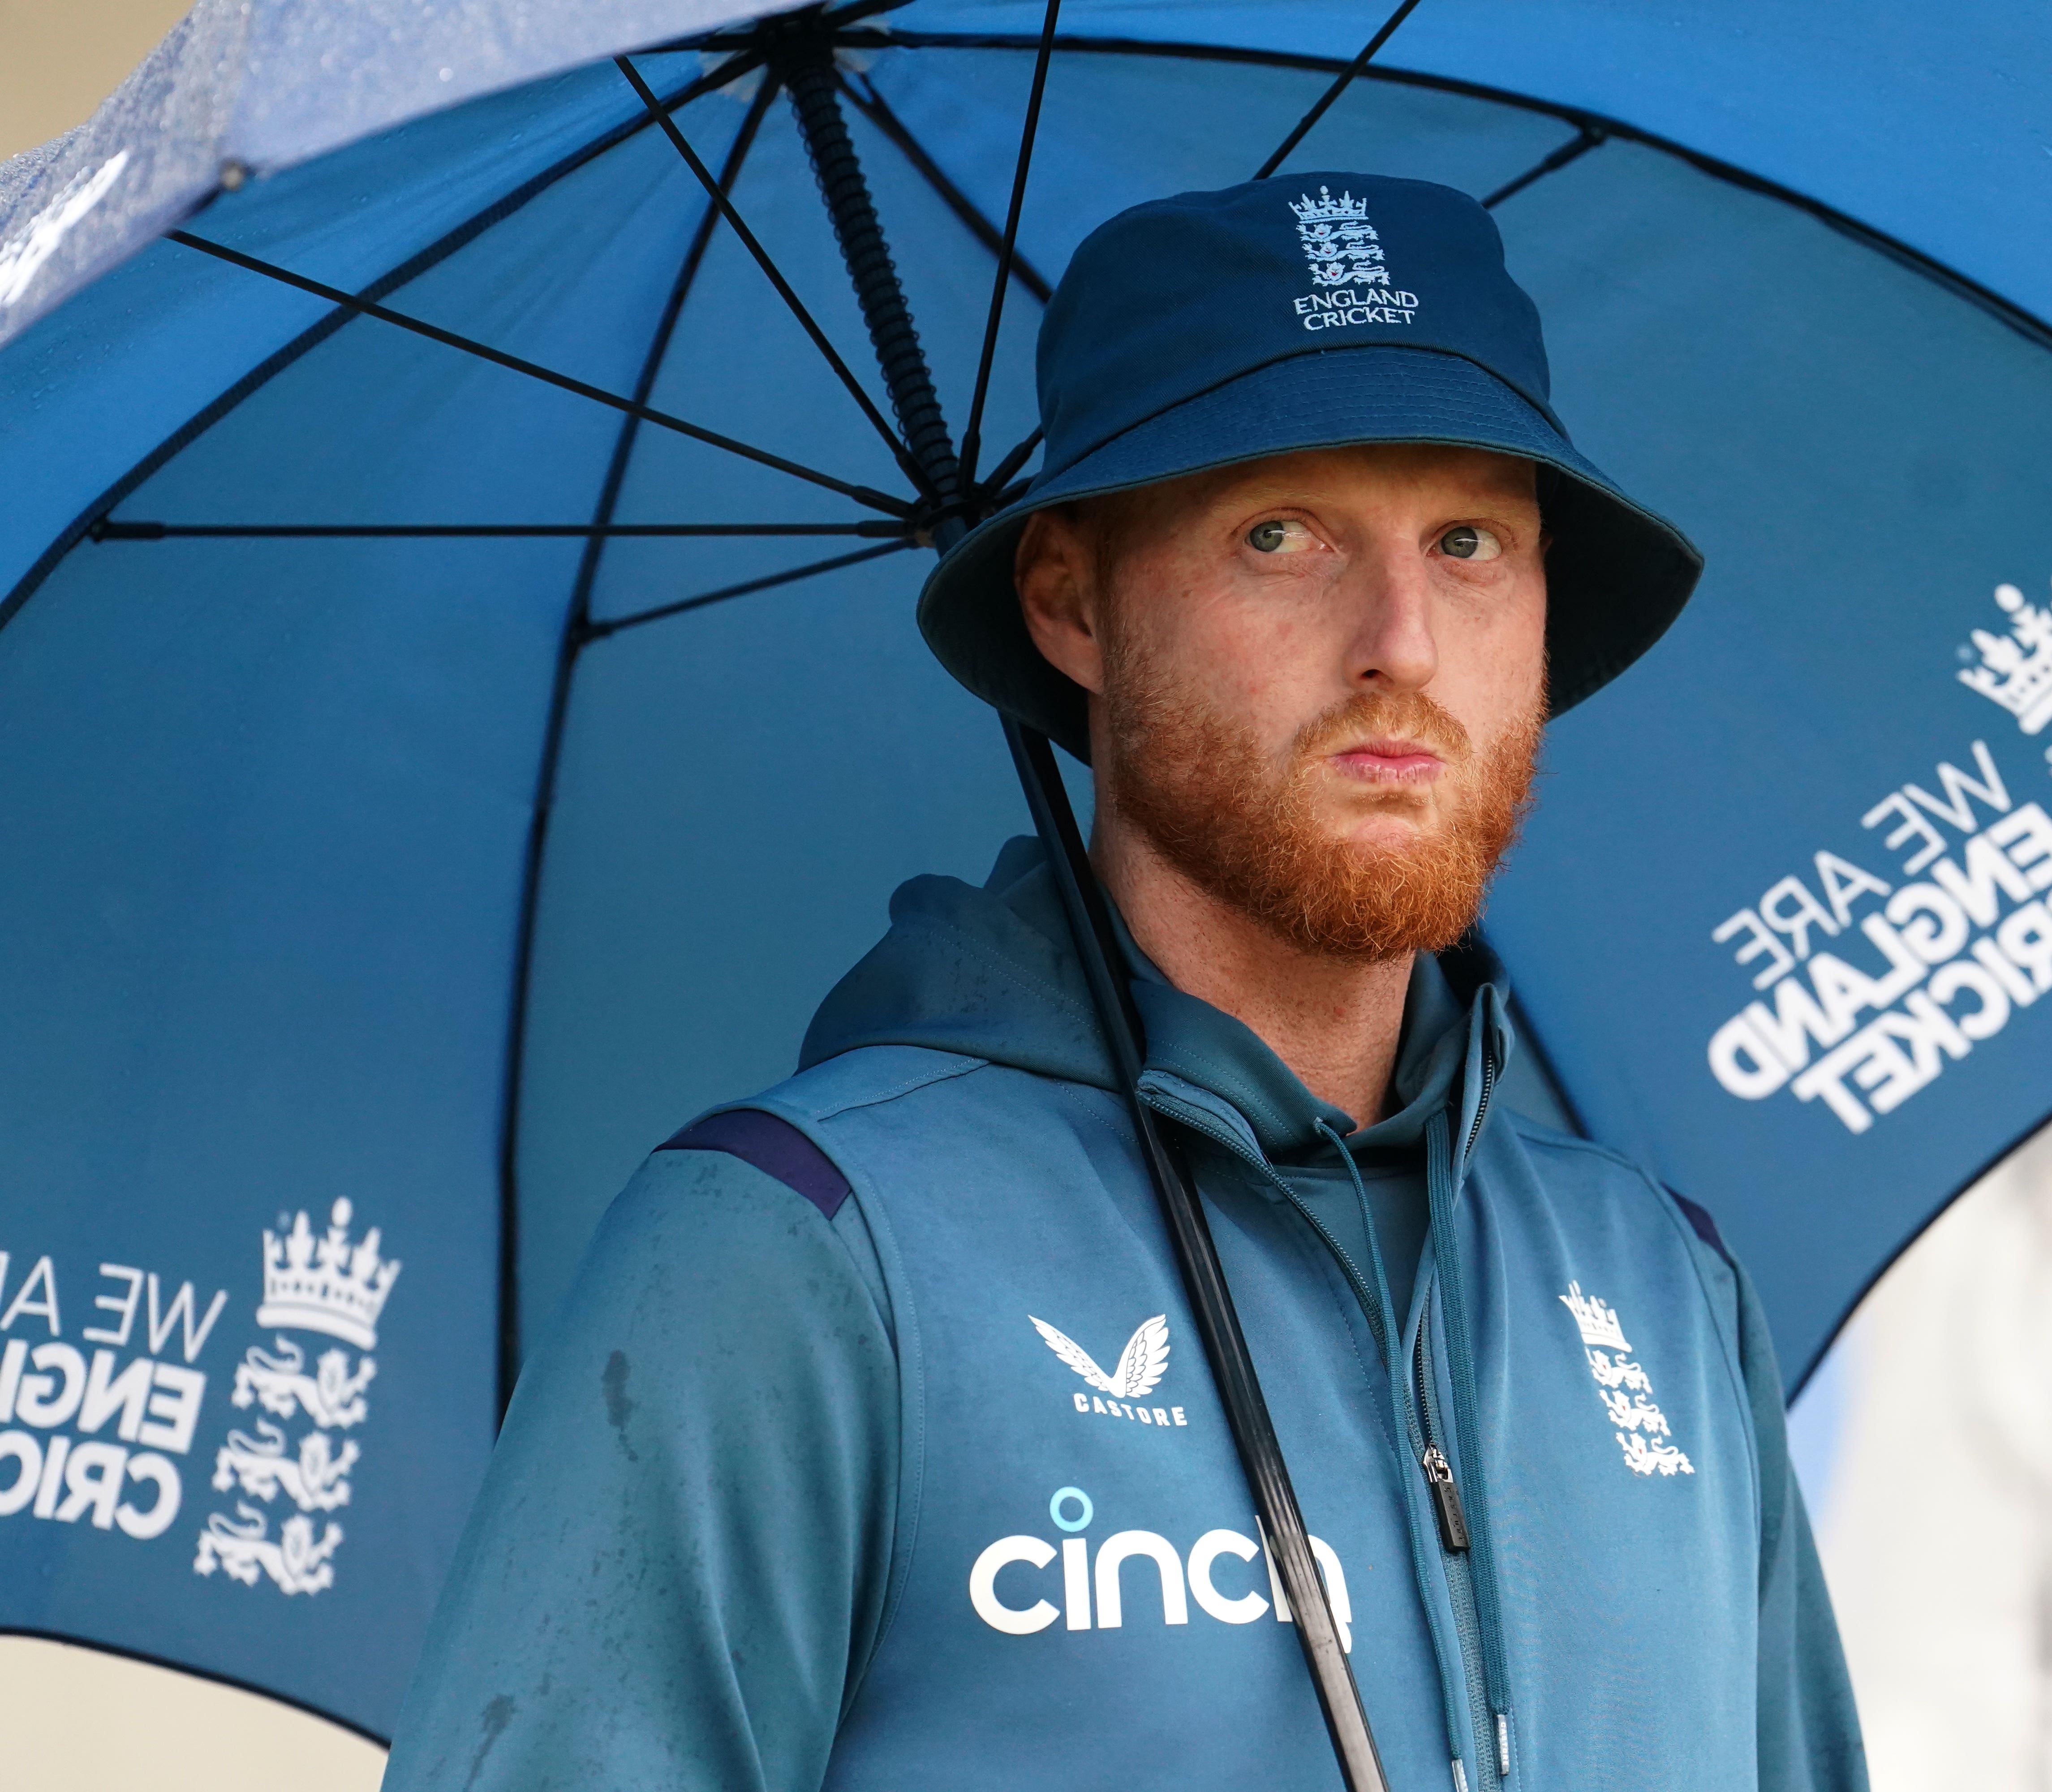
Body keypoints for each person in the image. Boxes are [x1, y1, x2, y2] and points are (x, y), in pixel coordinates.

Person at [384, 172, 1867, 1792]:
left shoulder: (1661, 1288)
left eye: (1468, 542)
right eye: (1280, 534)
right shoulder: (801, 1251)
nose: (1405, 644)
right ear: (1073, 603)